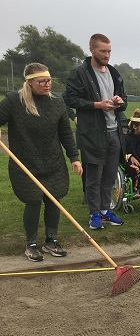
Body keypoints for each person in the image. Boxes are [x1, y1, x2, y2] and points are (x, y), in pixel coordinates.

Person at [0, 63, 82, 261]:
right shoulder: (13, 101)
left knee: (54, 199)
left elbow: (65, 133)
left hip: (53, 162)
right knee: (33, 201)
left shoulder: (57, 102)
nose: (47, 85)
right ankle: (31, 244)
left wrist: (74, 158)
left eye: (49, 80)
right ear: (29, 83)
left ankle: (51, 241)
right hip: (26, 164)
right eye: (42, 81)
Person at [64, 33, 127, 230]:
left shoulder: (114, 73)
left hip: (114, 132)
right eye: (103, 51)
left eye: (109, 51)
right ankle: (94, 215)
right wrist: (97, 105)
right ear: (91, 49)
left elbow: (124, 100)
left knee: (109, 175)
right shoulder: (80, 73)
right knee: (94, 177)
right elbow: (71, 99)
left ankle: (104, 211)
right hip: (93, 134)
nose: (107, 55)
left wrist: (120, 101)